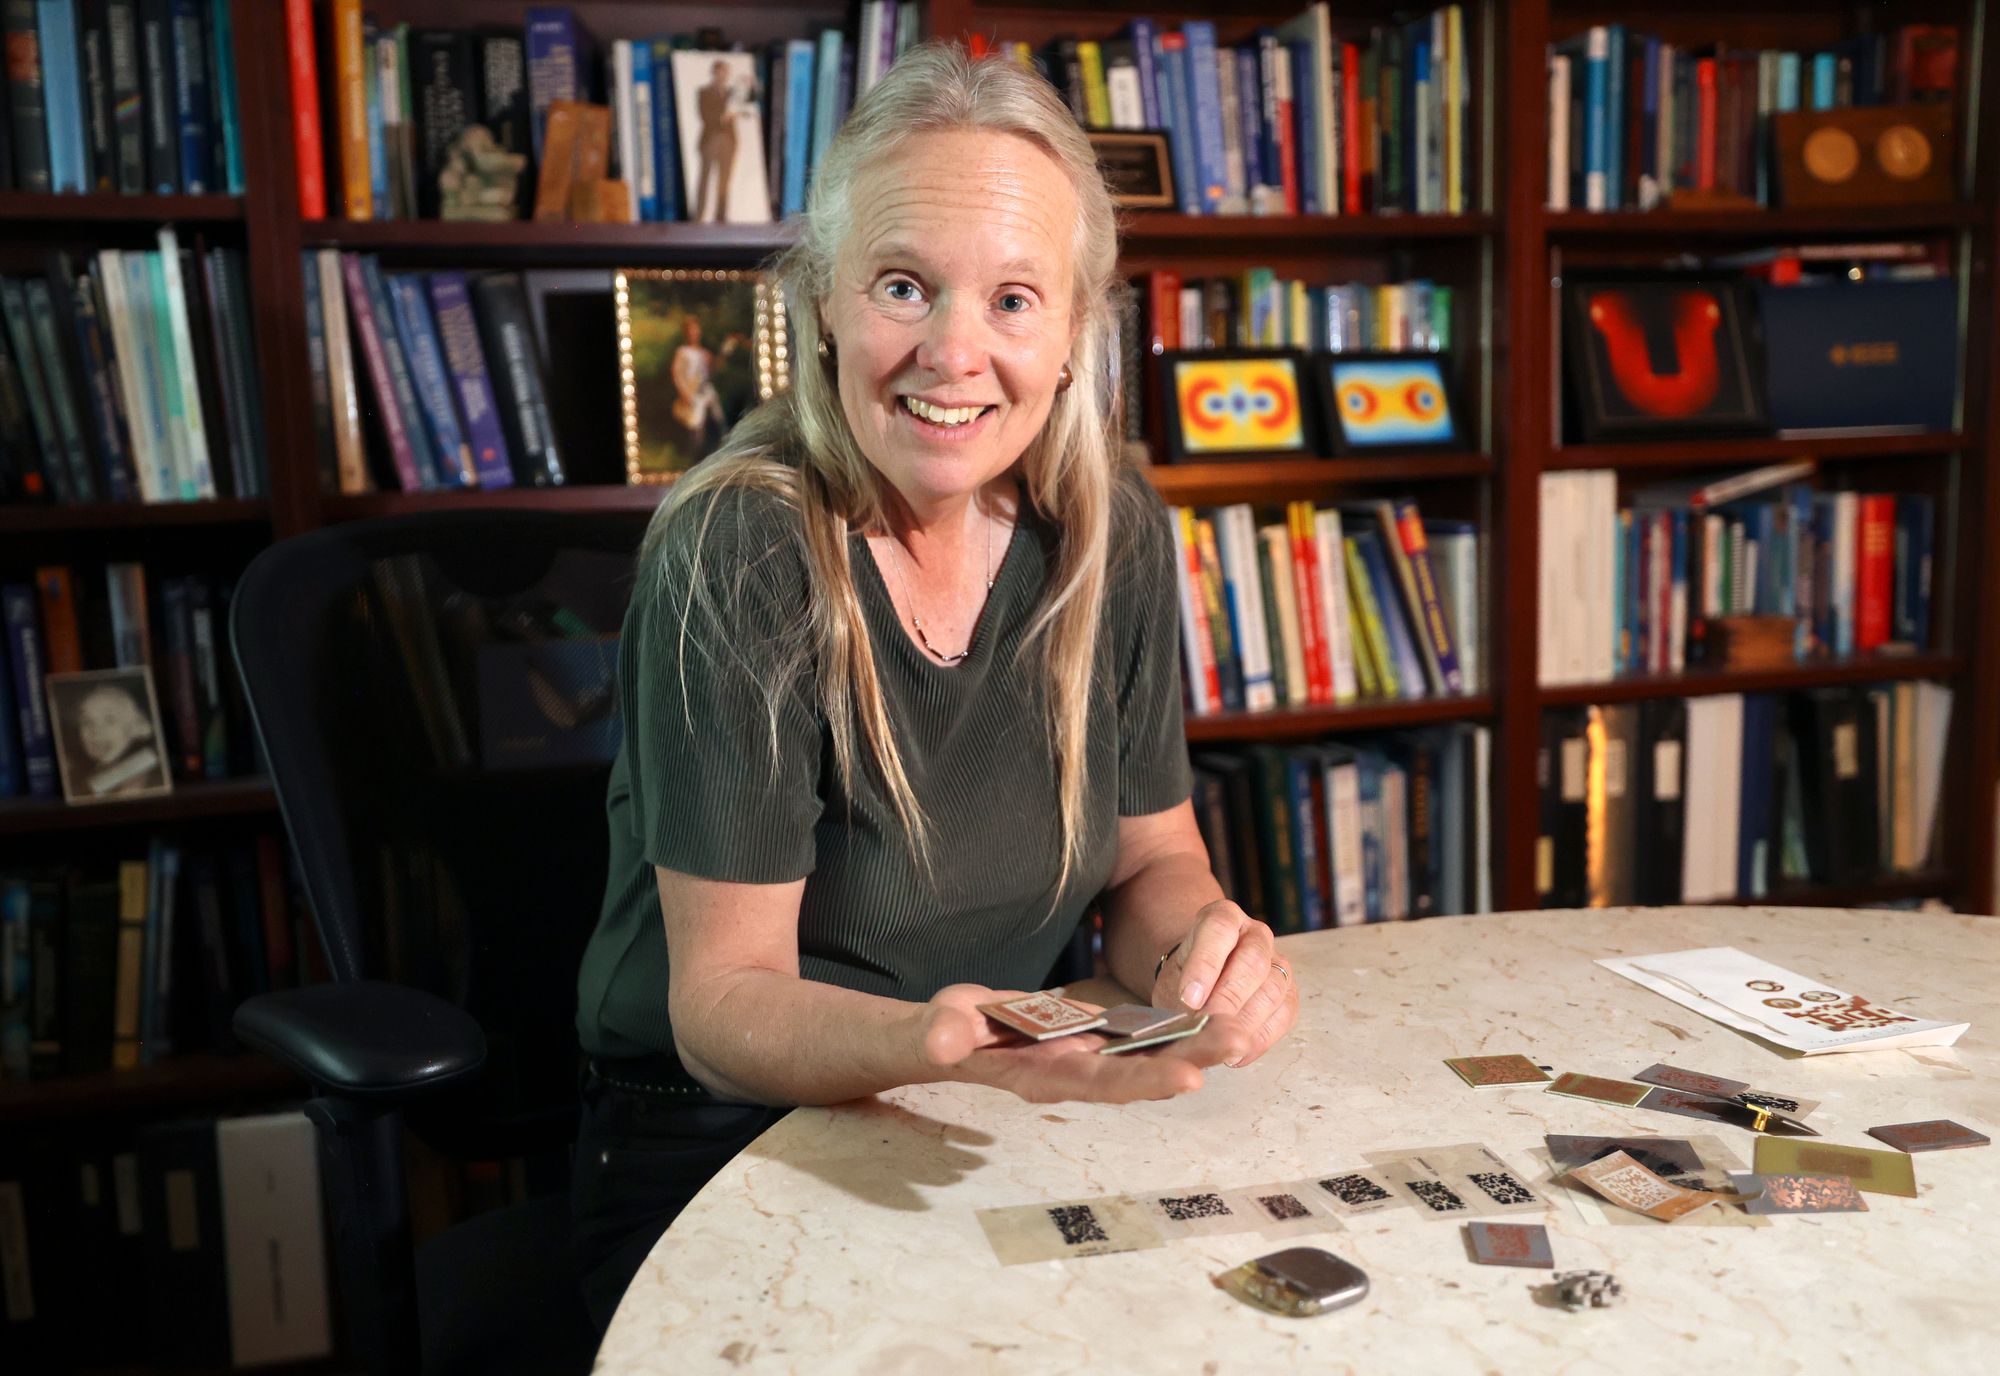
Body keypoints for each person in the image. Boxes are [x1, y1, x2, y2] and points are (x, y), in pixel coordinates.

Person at [570, 42, 1300, 1334]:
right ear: (827, 306)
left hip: (998, 1101)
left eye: (1015, 300)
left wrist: (1200, 959)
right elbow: (720, 1010)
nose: (954, 354)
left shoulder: (1107, 527)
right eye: (906, 286)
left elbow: (1150, 870)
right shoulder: (743, 548)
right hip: (724, 1139)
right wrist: (945, 1044)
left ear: (1075, 336)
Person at [70, 681, 164, 796]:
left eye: (109, 720)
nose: (95, 730)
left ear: (136, 727)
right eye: (86, 721)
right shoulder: (78, 777)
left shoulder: (148, 771)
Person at [668, 314, 723, 461]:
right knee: (696, 425)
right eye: (690, 330)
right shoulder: (682, 352)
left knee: (718, 420)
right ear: (686, 333)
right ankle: (696, 459)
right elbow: (677, 374)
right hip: (692, 392)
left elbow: (710, 373)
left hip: (706, 391)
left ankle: (719, 454)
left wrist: (715, 363)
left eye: (696, 330)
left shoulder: (704, 352)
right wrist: (684, 393)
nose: (694, 333)